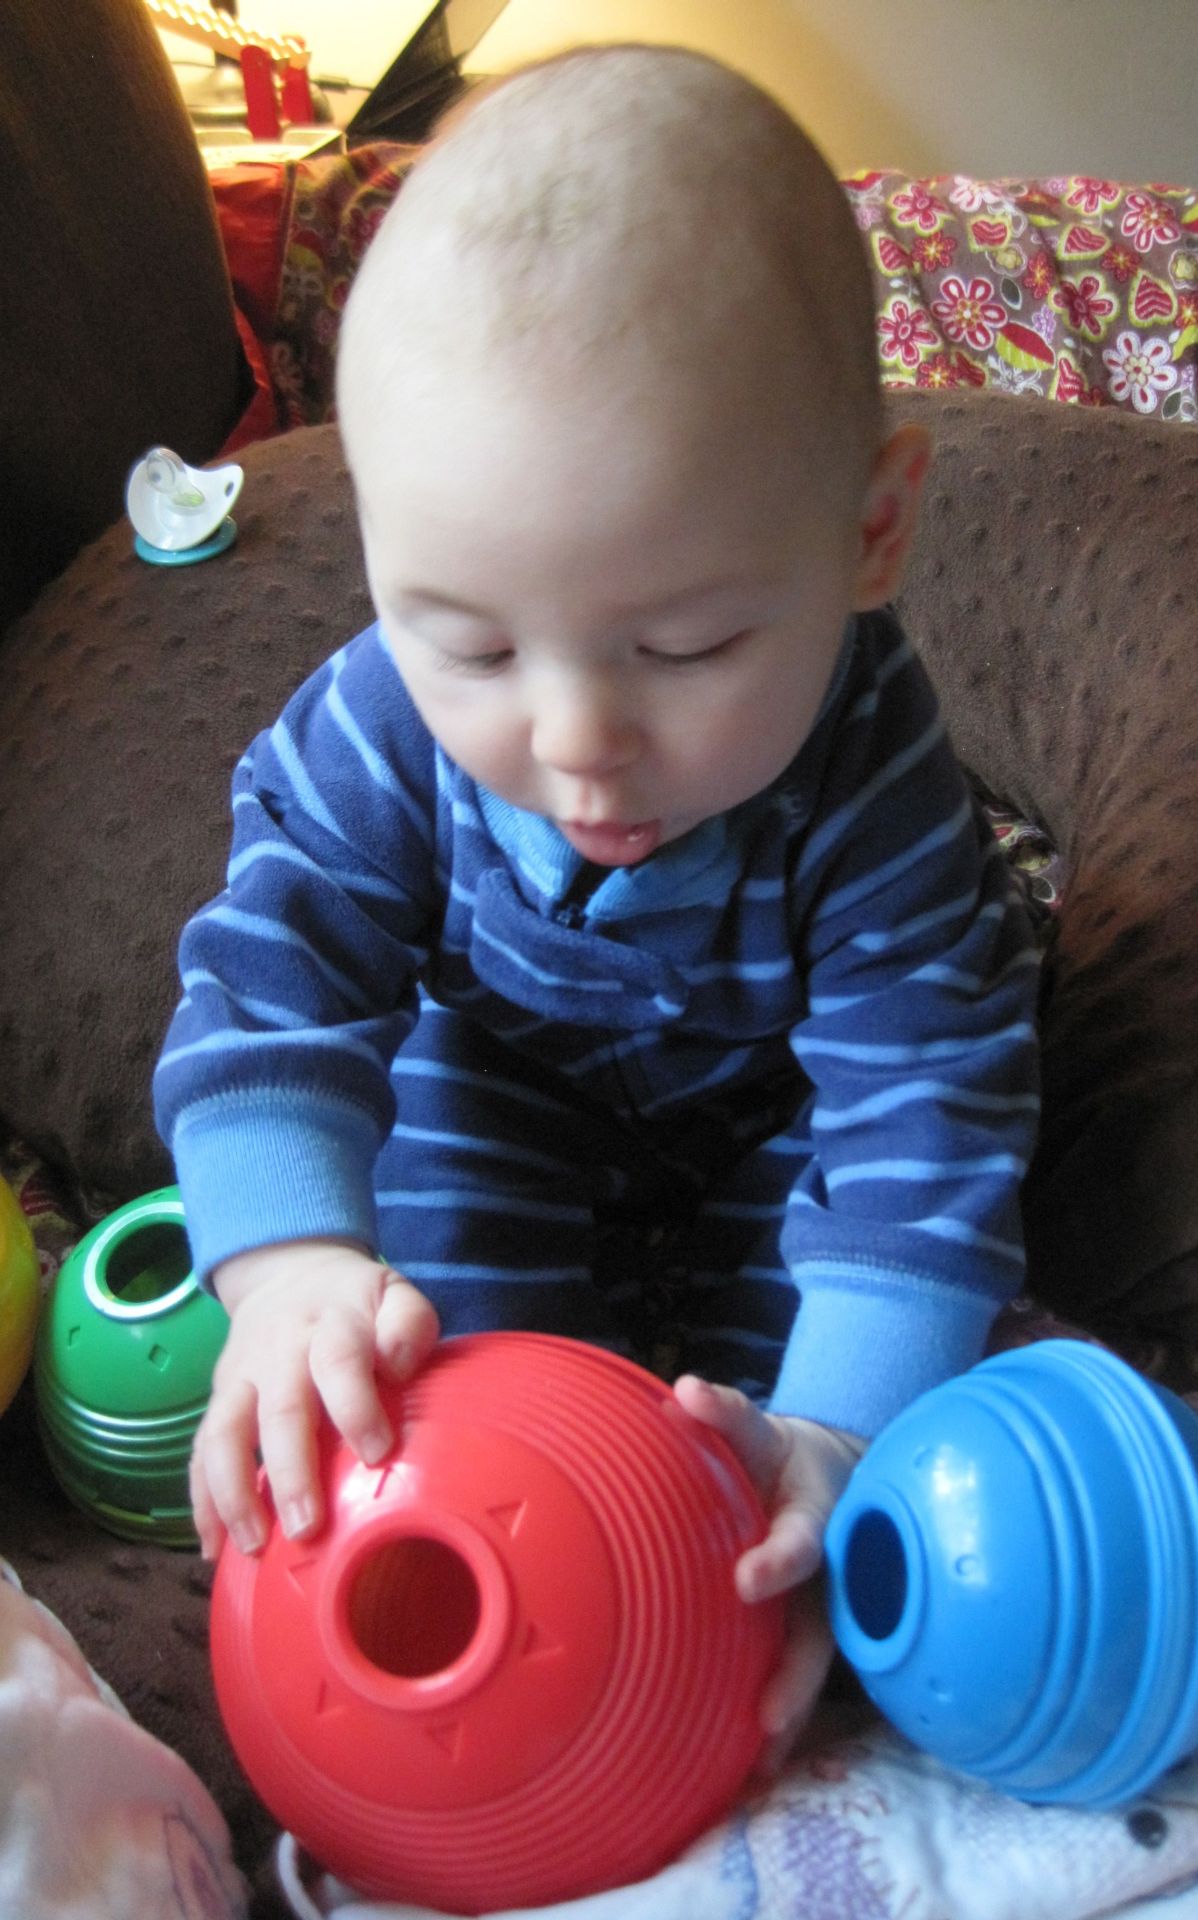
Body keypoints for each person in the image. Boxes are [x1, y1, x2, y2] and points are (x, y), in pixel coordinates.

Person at [154, 44, 1039, 1771]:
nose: (574, 742)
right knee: (417, 1360)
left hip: (787, 1109)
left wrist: (839, 1440)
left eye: (686, 646)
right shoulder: (375, 731)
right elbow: (269, 995)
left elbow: (924, 1114)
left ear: (871, 532)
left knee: (803, 1446)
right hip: (498, 1083)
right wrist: (288, 1270)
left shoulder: (878, 783)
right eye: (472, 643)